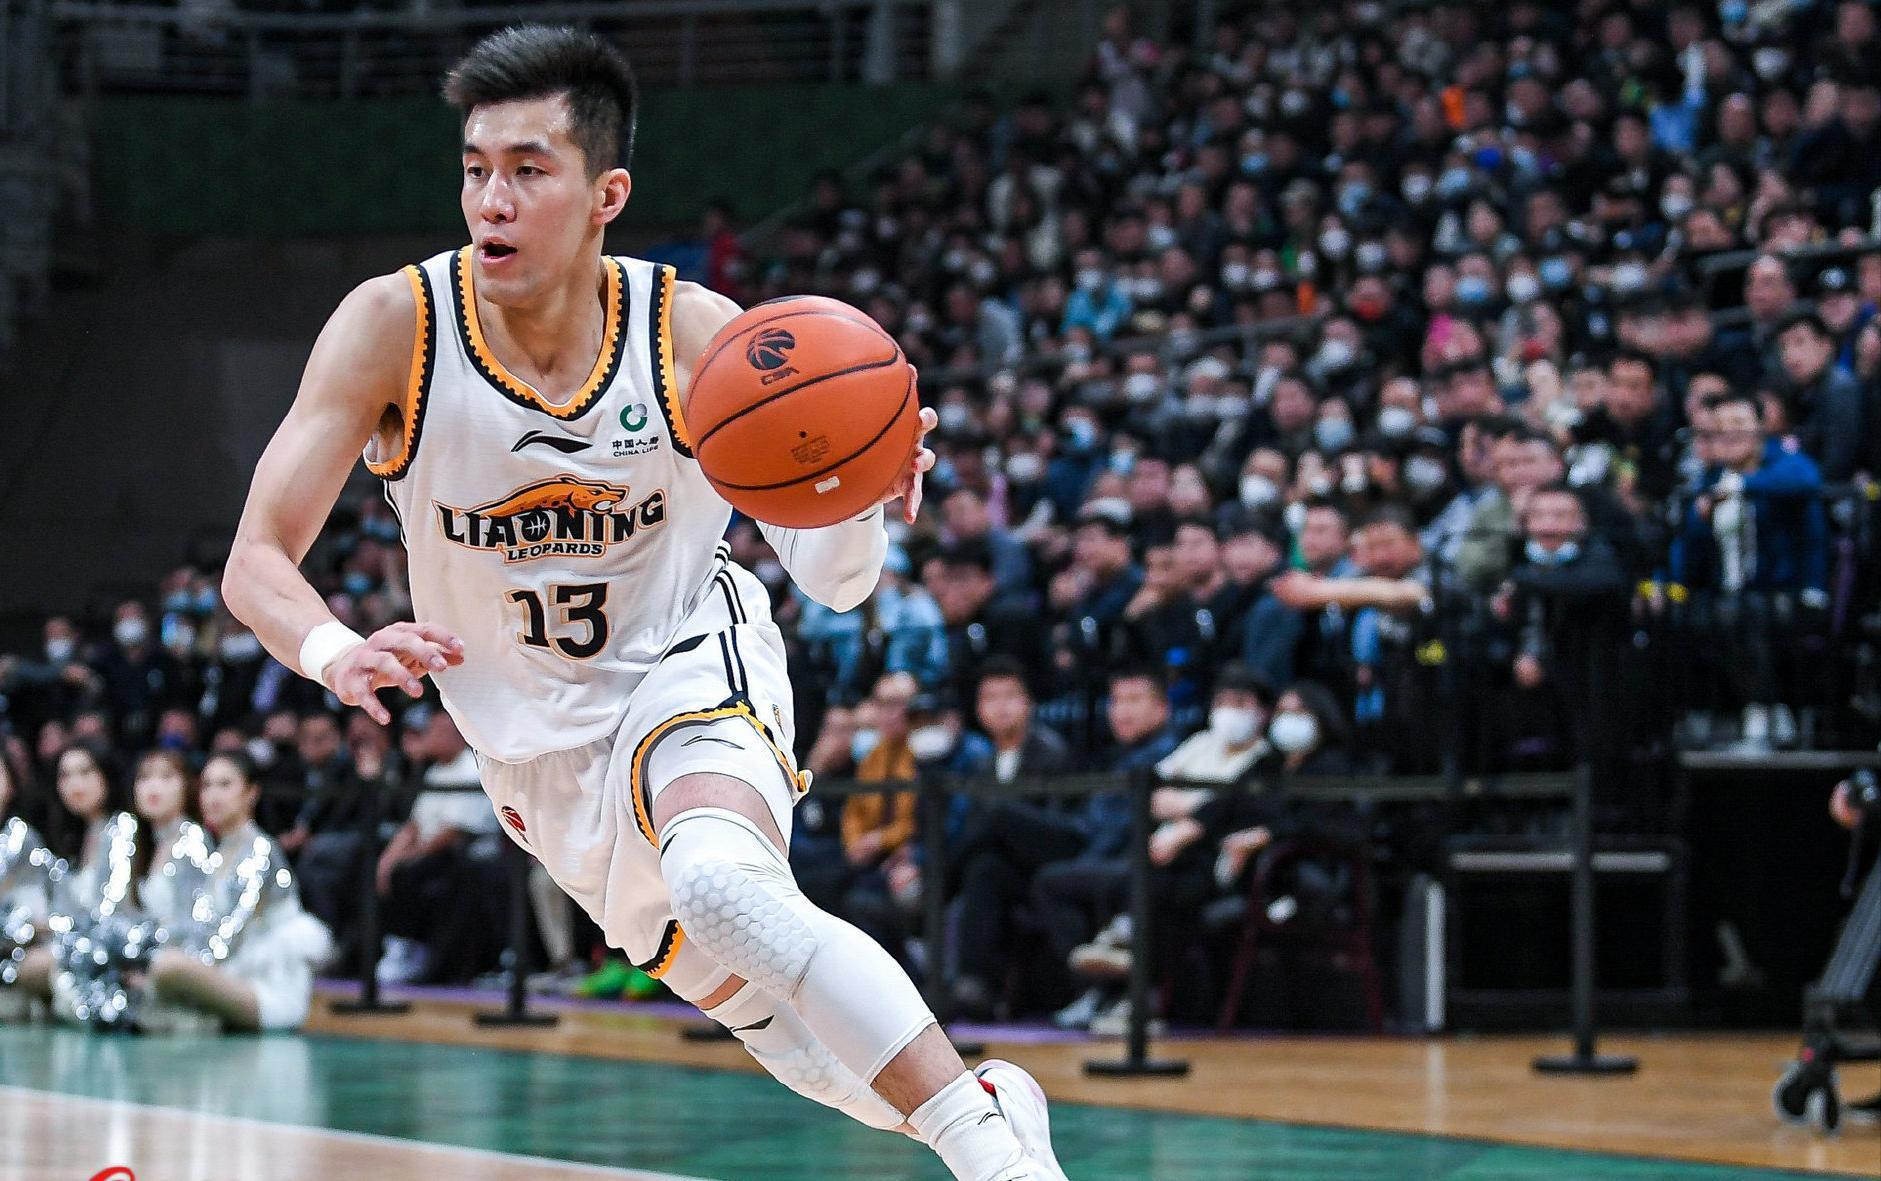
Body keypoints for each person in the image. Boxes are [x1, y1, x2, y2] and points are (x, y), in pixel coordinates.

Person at [221, 28, 1065, 1180]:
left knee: (724, 883)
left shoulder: (694, 334)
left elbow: (836, 582)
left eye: (528, 170)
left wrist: (856, 495)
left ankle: (1004, 1167)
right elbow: (255, 558)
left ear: (606, 194)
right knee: (796, 1039)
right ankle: (990, 1105)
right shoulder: (395, 327)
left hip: (686, 659)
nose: (492, 200)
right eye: (475, 169)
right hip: (535, 755)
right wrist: (333, 647)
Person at [139, 752, 333, 1031]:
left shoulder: (260, 850)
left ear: (251, 793)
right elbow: (200, 927)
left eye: (225, 785)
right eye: (207, 786)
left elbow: (229, 935)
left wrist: (181, 965)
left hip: (267, 989)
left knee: (168, 967)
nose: (213, 795)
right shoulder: (218, 854)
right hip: (230, 976)